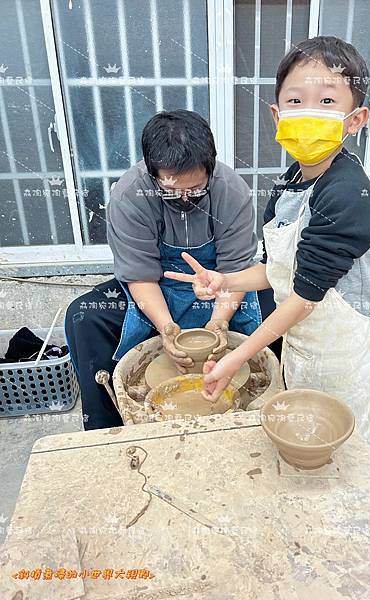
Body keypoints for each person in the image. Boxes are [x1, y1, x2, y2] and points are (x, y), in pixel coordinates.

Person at [165, 37, 370, 442]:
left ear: (355, 119)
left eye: (326, 101)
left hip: (339, 351)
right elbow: (279, 272)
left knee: (339, 447)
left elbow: (306, 296)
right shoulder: (291, 181)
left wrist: (236, 357)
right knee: (300, 436)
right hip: (301, 342)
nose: (308, 112)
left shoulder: (346, 195)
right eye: (295, 100)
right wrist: (225, 281)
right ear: (277, 114)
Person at [65, 109, 279, 430]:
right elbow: (139, 275)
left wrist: (219, 322)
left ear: (210, 167)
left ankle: (264, 415)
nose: (184, 199)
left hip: (217, 285)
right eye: (171, 190)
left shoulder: (231, 189)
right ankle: (108, 433)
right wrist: (167, 329)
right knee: (85, 317)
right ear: (152, 174)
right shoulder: (129, 195)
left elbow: (236, 269)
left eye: (195, 190)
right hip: (156, 286)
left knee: (284, 304)